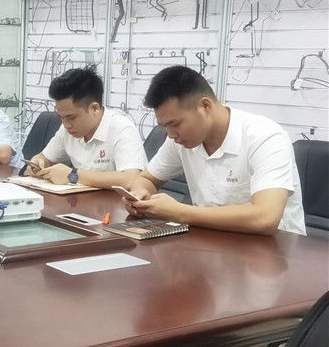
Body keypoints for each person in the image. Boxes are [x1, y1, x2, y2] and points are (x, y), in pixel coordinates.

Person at [123, 65, 306, 235]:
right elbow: (146, 179)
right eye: (165, 126)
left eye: (175, 124)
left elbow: (265, 218)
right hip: (211, 239)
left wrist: (178, 212)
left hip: (276, 249)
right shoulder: (181, 141)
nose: (171, 135)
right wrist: (139, 196)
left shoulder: (265, 137)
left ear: (205, 106)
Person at [28, 66, 146, 188]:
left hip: (116, 200)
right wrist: (38, 162)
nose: (66, 124)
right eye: (61, 117)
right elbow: (45, 157)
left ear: (94, 108)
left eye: (71, 117)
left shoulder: (122, 129)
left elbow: (130, 179)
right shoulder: (67, 130)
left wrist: (72, 175)